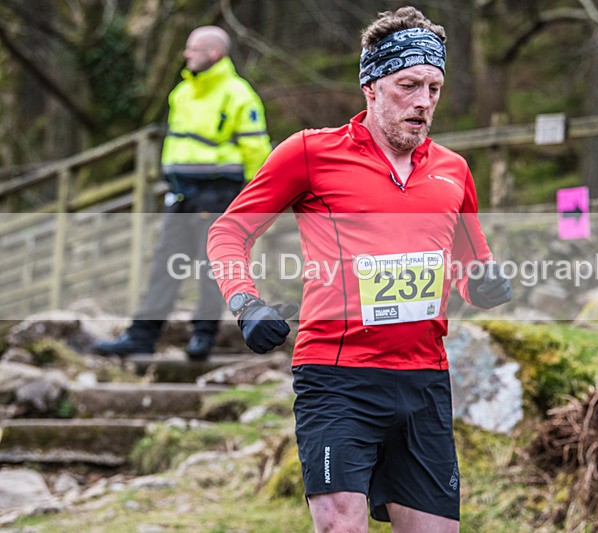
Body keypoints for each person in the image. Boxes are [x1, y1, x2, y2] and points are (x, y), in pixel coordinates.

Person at [207, 6, 512, 532]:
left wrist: (480, 284)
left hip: (424, 379)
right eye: (408, 85)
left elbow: (469, 264)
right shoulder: (309, 153)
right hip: (338, 378)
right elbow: (228, 231)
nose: (423, 102)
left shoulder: (454, 170)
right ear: (371, 86)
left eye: (434, 88)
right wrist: (244, 300)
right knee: (340, 525)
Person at [93, 25, 271, 359]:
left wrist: (248, 198)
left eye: (192, 48)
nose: (186, 54)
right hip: (180, 195)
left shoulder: (238, 94)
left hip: (218, 195)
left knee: (211, 270)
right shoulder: (182, 93)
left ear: (214, 53)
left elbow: (256, 149)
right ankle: (142, 337)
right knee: (163, 266)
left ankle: (203, 337)